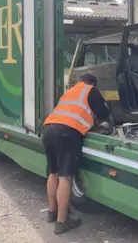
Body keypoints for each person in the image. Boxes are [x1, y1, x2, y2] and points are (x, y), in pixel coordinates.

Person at [42, 73, 112, 234]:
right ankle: (62, 221)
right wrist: (106, 124)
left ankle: (52, 212)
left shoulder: (70, 91)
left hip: (49, 129)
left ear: (80, 81)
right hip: (66, 133)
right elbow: (102, 113)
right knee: (65, 176)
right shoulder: (91, 90)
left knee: (53, 173)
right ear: (93, 83)